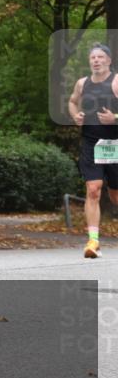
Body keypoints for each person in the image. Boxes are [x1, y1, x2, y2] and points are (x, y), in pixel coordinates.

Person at [67, 43, 118, 259]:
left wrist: (115, 118)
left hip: (115, 144)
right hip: (91, 143)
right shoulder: (82, 83)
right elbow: (72, 101)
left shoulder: (116, 82)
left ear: (109, 61)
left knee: (115, 194)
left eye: (100, 57)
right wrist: (75, 115)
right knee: (93, 189)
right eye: (93, 57)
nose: (96, 60)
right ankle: (93, 241)